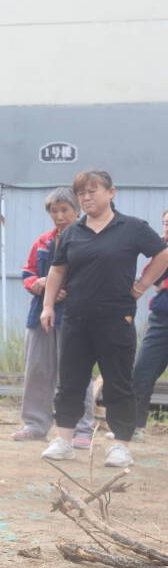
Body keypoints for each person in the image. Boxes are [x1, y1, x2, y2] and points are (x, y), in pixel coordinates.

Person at [40, 171, 168, 469]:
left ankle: (121, 445)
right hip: (76, 318)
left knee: (118, 382)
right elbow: (58, 270)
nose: (86, 198)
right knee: (70, 380)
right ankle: (64, 440)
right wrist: (48, 306)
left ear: (111, 192)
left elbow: (162, 254)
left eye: (92, 191)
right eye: (81, 193)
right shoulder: (73, 231)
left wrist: (141, 285)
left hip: (116, 318)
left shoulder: (133, 228)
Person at [13, 188, 96, 449]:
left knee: (76, 372)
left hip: (75, 314)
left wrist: (65, 289)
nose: (59, 216)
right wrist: (36, 283)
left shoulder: (88, 239)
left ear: (77, 210)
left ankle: (82, 429)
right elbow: (27, 271)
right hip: (40, 314)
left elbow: (95, 275)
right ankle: (35, 425)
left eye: (65, 210)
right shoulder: (43, 241)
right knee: (37, 369)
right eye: (54, 211)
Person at [129, 207, 168, 442]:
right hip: (161, 321)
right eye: (165, 222)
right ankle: (134, 427)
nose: (167, 227)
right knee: (142, 372)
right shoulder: (161, 250)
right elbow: (151, 278)